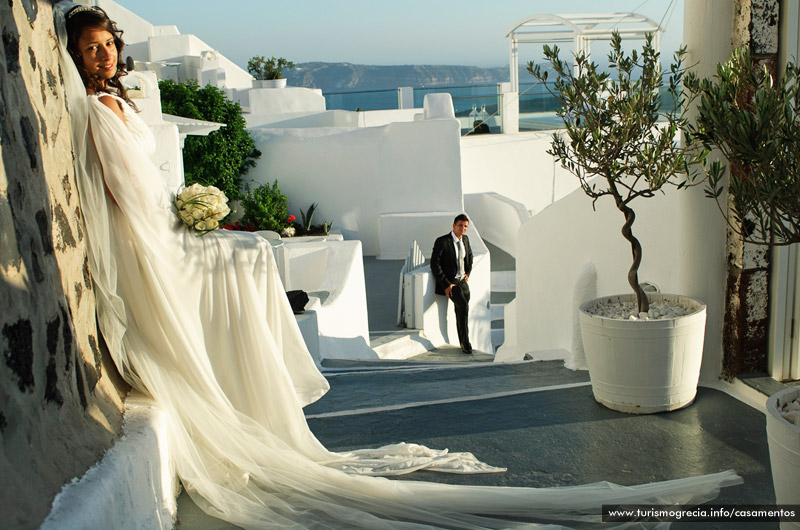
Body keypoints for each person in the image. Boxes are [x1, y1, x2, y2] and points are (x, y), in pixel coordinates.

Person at [54, 3, 741, 529]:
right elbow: (126, 194)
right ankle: (254, 396)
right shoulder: (92, 111)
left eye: (108, 44)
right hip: (150, 236)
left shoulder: (127, 98)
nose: (104, 56)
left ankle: (260, 389)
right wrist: (186, 224)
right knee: (252, 261)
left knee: (256, 259)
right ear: (76, 56)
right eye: (90, 49)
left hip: (170, 219)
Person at [431, 214, 474, 353]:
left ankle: (462, 341)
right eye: (460, 225)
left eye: (465, 226)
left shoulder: (465, 240)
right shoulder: (442, 241)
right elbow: (434, 264)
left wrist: (468, 272)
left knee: (462, 310)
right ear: (454, 226)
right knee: (463, 306)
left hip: (463, 282)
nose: (463, 228)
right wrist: (446, 284)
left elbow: (470, 257)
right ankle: (465, 343)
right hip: (451, 283)